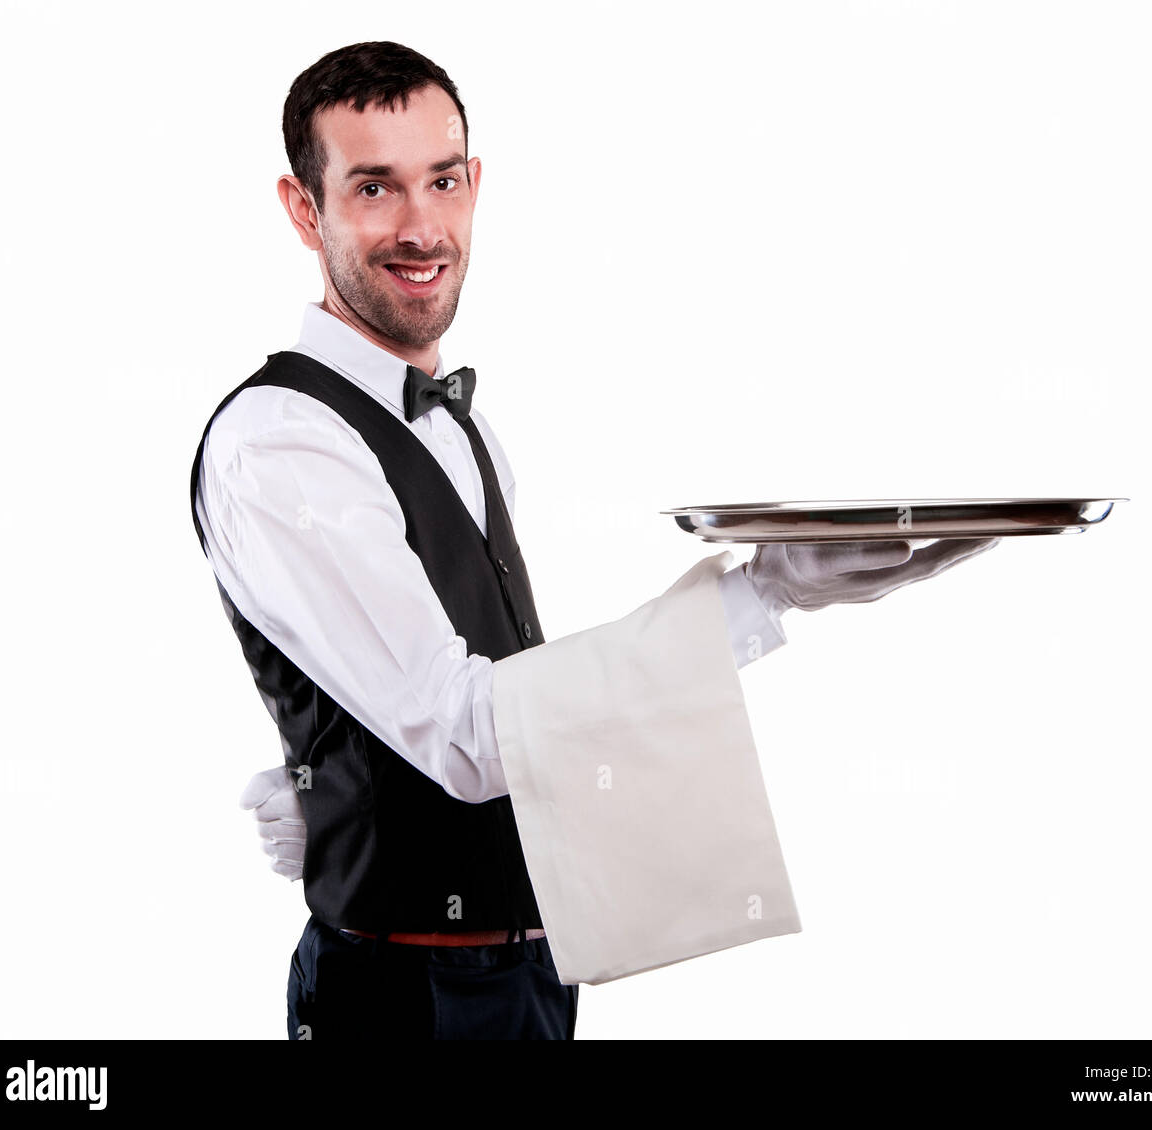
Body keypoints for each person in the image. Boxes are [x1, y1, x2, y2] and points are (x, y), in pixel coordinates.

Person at [192, 40, 999, 1041]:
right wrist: (765, 594)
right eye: (373, 187)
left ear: (475, 185)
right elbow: (467, 729)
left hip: (528, 965)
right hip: (408, 995)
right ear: (304, 209)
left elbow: (461, 690)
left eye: (441, 180)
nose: (420, 224)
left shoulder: (462, 427)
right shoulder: (280, 439)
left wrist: (329, 777)